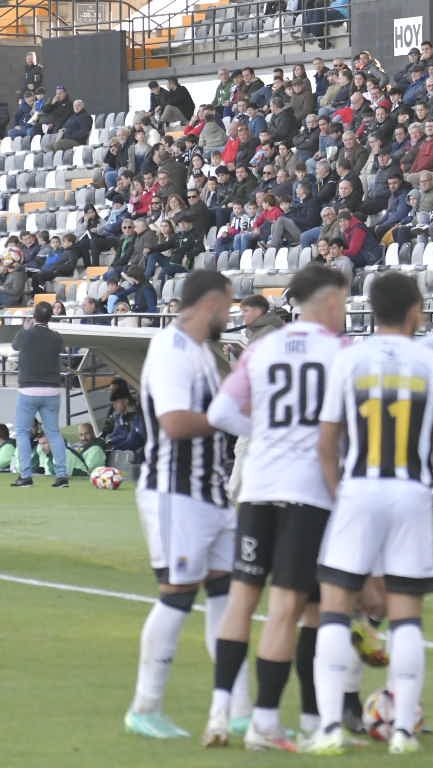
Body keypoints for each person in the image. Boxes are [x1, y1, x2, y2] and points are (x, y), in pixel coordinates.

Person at [306, 273, 433, 755]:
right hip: (411, 492)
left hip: (359, 489)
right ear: (415, 311)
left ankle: (327, 728)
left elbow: (326, 441)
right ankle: (403, 730)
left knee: (334, 613)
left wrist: (336, 493)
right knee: (407, 616)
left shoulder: (349, 360)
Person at [201, 264, 351, 751]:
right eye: (343, 303)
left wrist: (264, 433)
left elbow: (221, 413)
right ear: (328, 302)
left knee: (243, 598)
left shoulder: (261, 349)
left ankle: (221, 711)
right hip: (308, 490)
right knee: (289, 606)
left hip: (257, 487)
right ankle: (267, 719)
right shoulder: (341, 351)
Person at [125, 271, 239, 741]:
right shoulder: (172, 351)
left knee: (226, 598)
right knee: (177, 594)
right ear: (210, 303)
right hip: (175, 491)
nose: (230, 315)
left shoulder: (200, 353)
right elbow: (174, 423)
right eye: (228, 307)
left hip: (210, 492)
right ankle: (145, 706)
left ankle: (237, 707)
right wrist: (235, 419)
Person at [11, 302, 68, 489]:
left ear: (34, 316)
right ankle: (61, 477)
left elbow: (15, 346)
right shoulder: (56, 337)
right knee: (53, 433)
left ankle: (26, 476)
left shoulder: (26, 335)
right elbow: (60, 349)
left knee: (22, 432)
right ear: (50, 317)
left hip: (28, 389)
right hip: (52, 390)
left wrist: (25, 328)